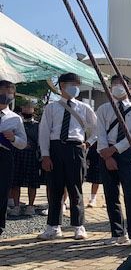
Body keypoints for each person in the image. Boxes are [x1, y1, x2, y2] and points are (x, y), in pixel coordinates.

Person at [38, 73, 97, 240]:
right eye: (72, 84)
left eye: (77, 85)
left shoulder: (84, 107)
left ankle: (79, 226)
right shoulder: (51, 108)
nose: (75, 88)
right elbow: (44, 131)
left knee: (75, 188)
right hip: (55, 148)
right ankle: (53, 227)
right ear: (62, 86)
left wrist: (88, 143)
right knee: (55, 188)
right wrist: (45, 155)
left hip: (75, 148)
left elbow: (97, 128)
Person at [96, 75, 131, 246]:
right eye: (114, 84)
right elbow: (100, 132)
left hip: (126, 153)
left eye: (122, 84)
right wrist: (107, 155)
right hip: (105, 152)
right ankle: (117, 233)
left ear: (129, 88)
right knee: (111, 194)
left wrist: (115, 149)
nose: (118, 87)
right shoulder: (103, 109)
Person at [0, 81, 27, 237]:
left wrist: (13, 138)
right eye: (2, 91)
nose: (5, 95)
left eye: (9, 93)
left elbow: (23, 143)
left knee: (2, 191)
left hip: (4, 156)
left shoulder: (16, 118)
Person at [9, 101, 42, 217]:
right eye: (25, 107)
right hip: (17, 153)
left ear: (34, 110)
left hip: (32, 155)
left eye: (29, 107)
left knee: (32, 183)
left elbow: (40, 140)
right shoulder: (17, 124)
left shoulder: (38, 125)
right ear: (22, 109)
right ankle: (16, 206)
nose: (27, 109)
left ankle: (31, 206)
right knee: (15, 182)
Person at [84, 140, 102, 208]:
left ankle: (109, 199)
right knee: (95, 177)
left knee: (109, 177)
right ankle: (93, 199)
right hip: (93, 148)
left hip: (106, 147)